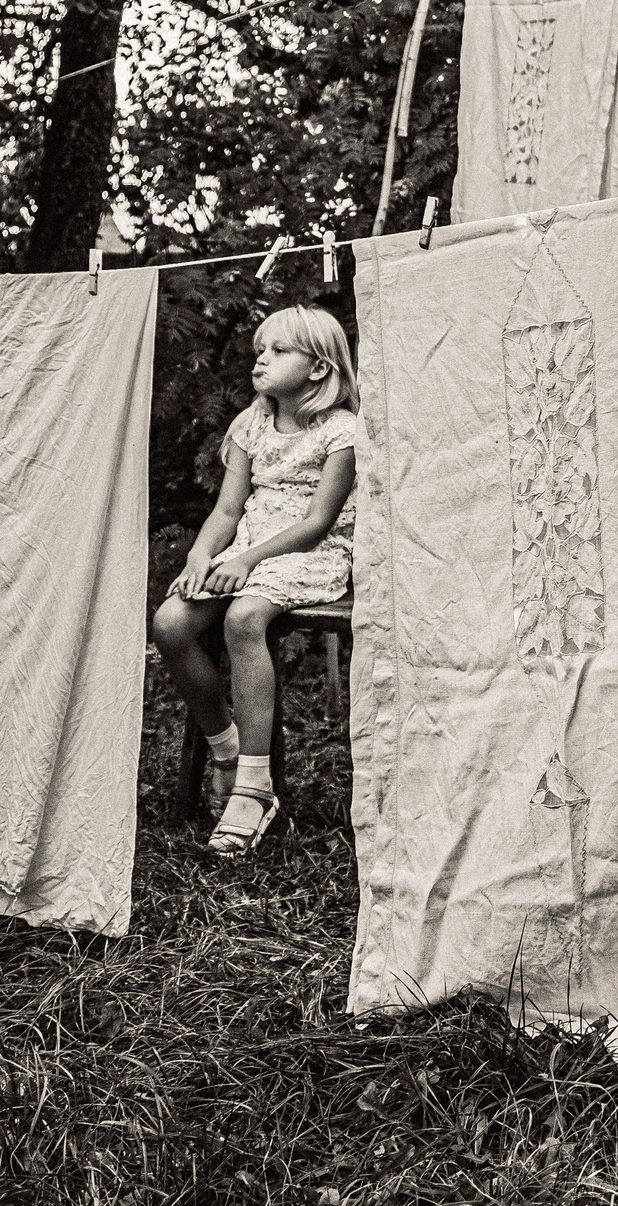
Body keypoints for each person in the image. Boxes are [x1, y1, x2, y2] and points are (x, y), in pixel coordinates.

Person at [151, 304, 359, 855]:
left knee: (244, 619)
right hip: (246, 547)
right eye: (259, 352)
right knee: (171, 623)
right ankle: (225, 747)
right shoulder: (249, 425)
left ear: (318, 368)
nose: (261, 361)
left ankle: (254, 785)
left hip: (306, 553)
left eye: (278, 352)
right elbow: (226, 511)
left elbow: (317, 523)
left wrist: (246, 564)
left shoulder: (341, 432)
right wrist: (202, 557)